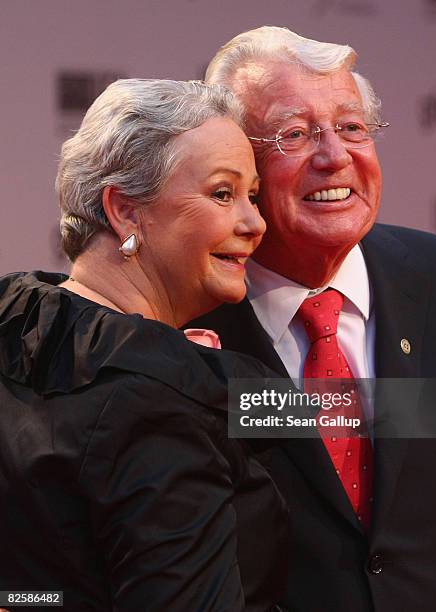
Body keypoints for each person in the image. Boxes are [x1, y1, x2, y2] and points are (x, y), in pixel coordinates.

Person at [189, 26, 436, 612]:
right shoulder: (183, 320)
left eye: (351, 128)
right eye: (295, 134)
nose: (334, 156)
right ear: (232, 165)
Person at [0, 78, 289, 611]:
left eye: (252, 196)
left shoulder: (18, 324)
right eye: (223, 194)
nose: (256, 223)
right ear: (126, 212)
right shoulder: (162, 394)